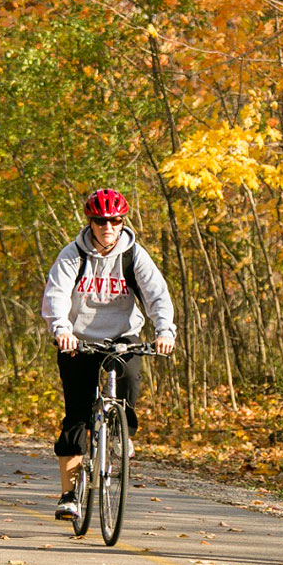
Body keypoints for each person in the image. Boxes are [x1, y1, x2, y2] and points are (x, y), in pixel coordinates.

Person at [41, 188, 176, 522]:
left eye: (114, 221)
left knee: (130, 377)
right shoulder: (74, 254)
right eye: (101, 221)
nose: (108, 227)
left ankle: (121, 433)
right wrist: (61, 329)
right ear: (91, 222)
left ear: (122, 222)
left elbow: (157, 295)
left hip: (122, 337)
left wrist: (165, 331)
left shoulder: (134, 255)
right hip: (79, 340)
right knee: (76, 416)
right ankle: (70, 495)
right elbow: (56, 294)